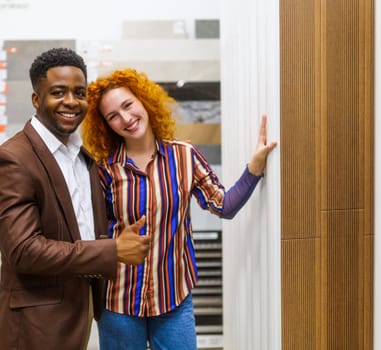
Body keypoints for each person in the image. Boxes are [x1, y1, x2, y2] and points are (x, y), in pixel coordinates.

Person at [80, 68, 277, 350]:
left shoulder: (184, 156)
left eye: (128, 105)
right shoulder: (104, 172)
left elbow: (224, 206)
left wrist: (255, 168)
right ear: (106, 125)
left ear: (143, 101)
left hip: (172, 298)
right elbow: (91, 236)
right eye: (112, 116)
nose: (125, 118)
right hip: (118, 303)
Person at [0, 49, 151, 350]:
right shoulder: (10, 159)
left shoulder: (83, 158)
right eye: (58, 92)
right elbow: (24, 251)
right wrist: (113, 250)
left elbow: (80, 229)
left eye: (79, 93)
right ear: (36, 99)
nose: (71, 101)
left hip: (81, 313)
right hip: (38, 325)